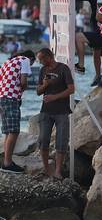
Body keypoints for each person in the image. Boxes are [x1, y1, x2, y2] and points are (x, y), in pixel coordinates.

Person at [35, 48, 75, 178]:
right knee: (43, 140)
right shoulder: (43, 70)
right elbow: (38, 91)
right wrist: (45, 85)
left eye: (41, 59)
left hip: (62, 111)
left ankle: (57, 171)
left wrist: (55, 97)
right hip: (45, 111)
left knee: (61, 141)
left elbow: (71, 89)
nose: (40, 62)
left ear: (49, 57)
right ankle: (46, 168)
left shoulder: (63, 69)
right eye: (39, 59)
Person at [0, 50, 36, 173]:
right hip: (11, 98)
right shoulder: (25, 60)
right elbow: (23, 81)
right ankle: (7, 163)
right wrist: (22, 90)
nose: (30, 66)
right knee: (14, 131)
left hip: (2, 98)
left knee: (7, 132)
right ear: (31, 58)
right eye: (32, 63)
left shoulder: (7, 62)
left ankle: (6, 161)